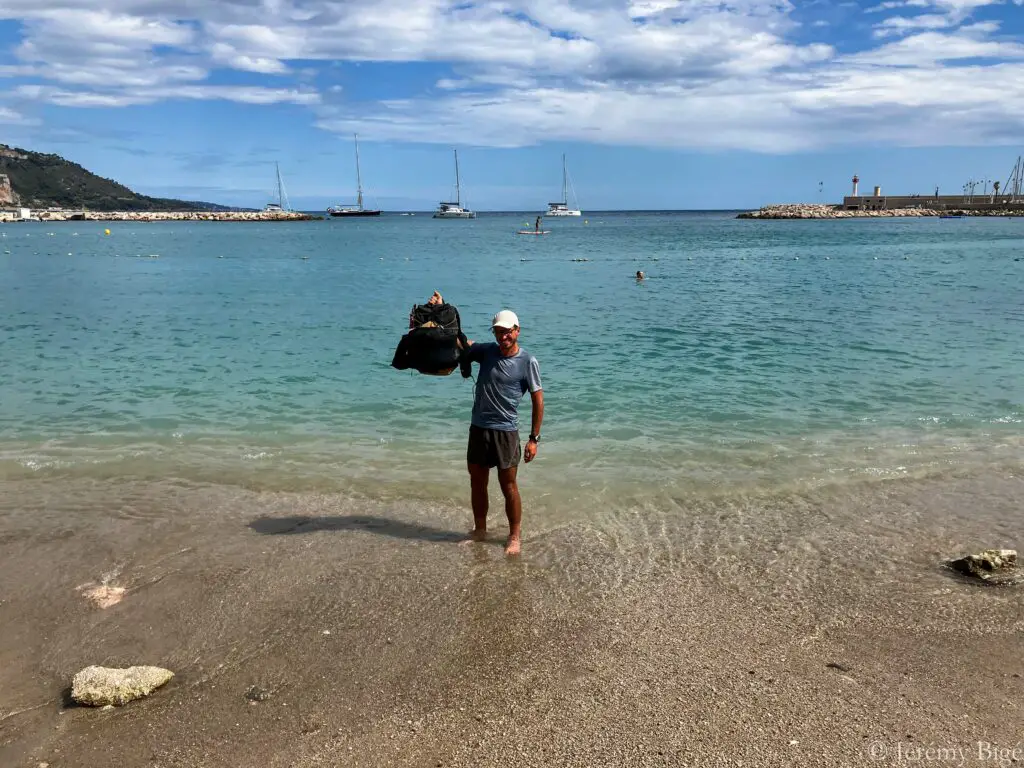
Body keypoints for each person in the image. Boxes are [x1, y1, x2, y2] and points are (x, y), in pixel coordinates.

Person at [459, 309, 543, 555]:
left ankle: (514, 536)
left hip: (506, 432)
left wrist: (533, 439)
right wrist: (443, 308)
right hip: (478, 429)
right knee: (477, 482)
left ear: (517, 330)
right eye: (498, 332)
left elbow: (538, 400)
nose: (503, 336)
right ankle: (480, 531)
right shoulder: (486, 352)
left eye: (507, 331)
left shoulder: (528, 361)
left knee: (509, 486)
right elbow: (462, 342)